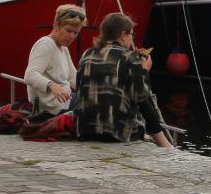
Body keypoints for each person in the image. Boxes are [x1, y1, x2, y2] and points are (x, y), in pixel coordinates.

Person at [74, 12, 173, 147]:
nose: (132, 39)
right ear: (123, 35)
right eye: (131, 34)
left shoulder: (87, 54)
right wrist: (144, 70)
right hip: (117, 133)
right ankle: (164, 143)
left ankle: (162, 141)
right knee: (141, 100)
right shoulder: (129, 57)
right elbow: (141, 96)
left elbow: (78, 87)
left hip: (84, 130)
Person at [26, 4, 86, 117]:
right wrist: (52, 86)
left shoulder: (63, 48)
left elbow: (73, 78)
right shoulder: (45, 44)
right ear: (56, 25)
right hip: (49, 108)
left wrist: (93, 89)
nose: (72, 36)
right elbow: (30, 75)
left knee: (97, 98)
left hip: (63, 103)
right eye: (69, 31)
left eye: (76, 33)